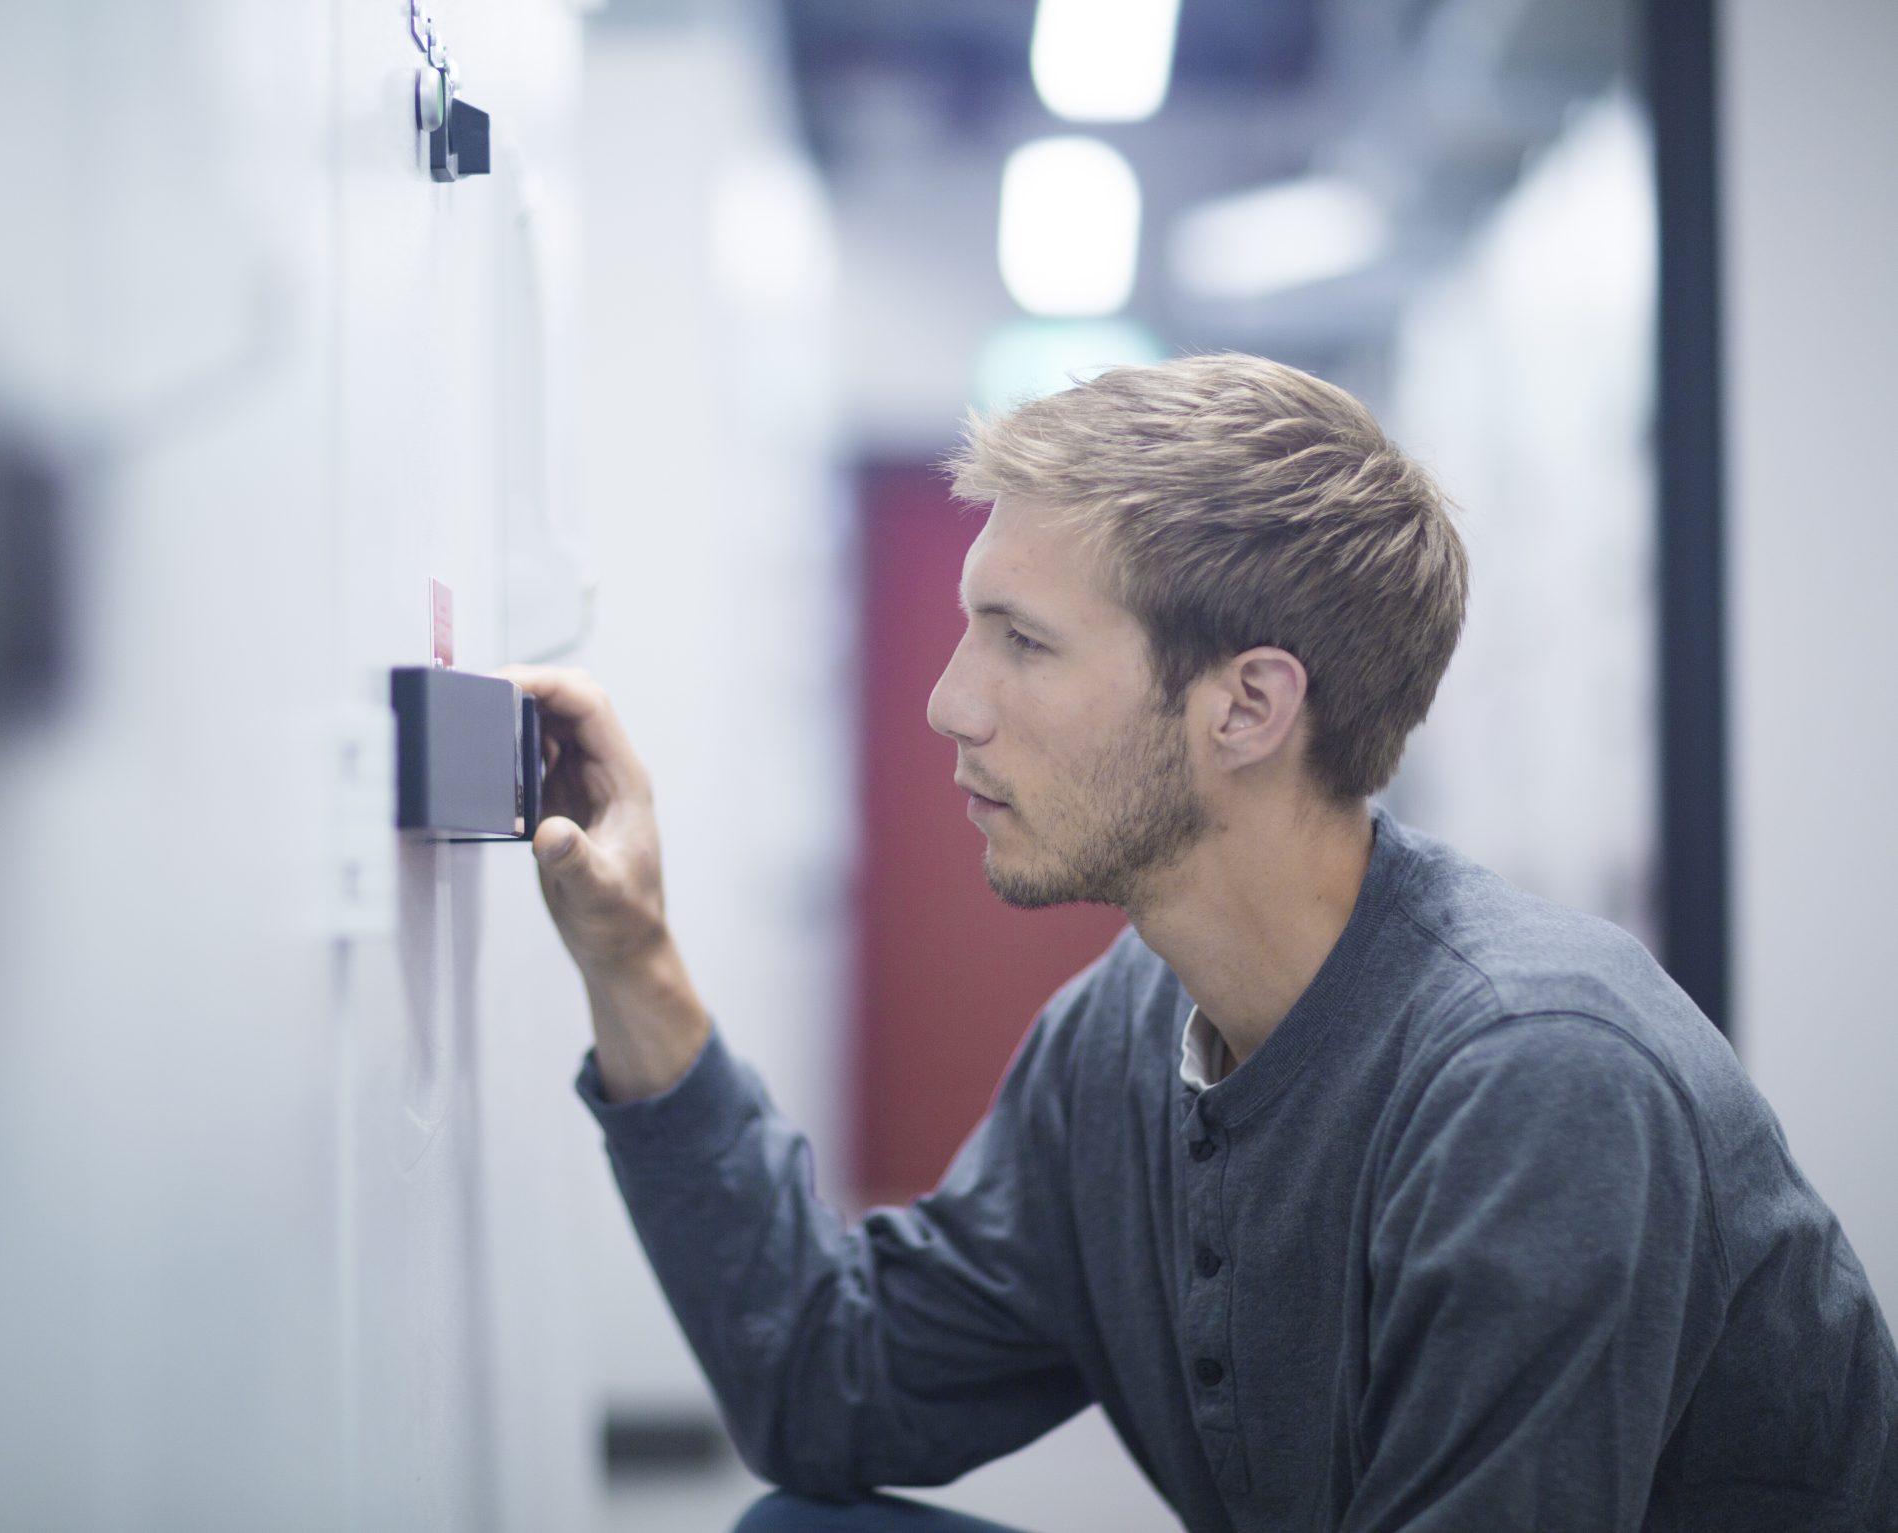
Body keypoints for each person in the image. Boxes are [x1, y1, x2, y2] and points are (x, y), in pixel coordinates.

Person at [505, 355, 1898, 1532]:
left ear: (1246, 707)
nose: (946, 703)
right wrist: (630, 957)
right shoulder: (1127, 1029)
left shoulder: (1536, 1078)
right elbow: (828, 1382)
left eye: (1023, 643)